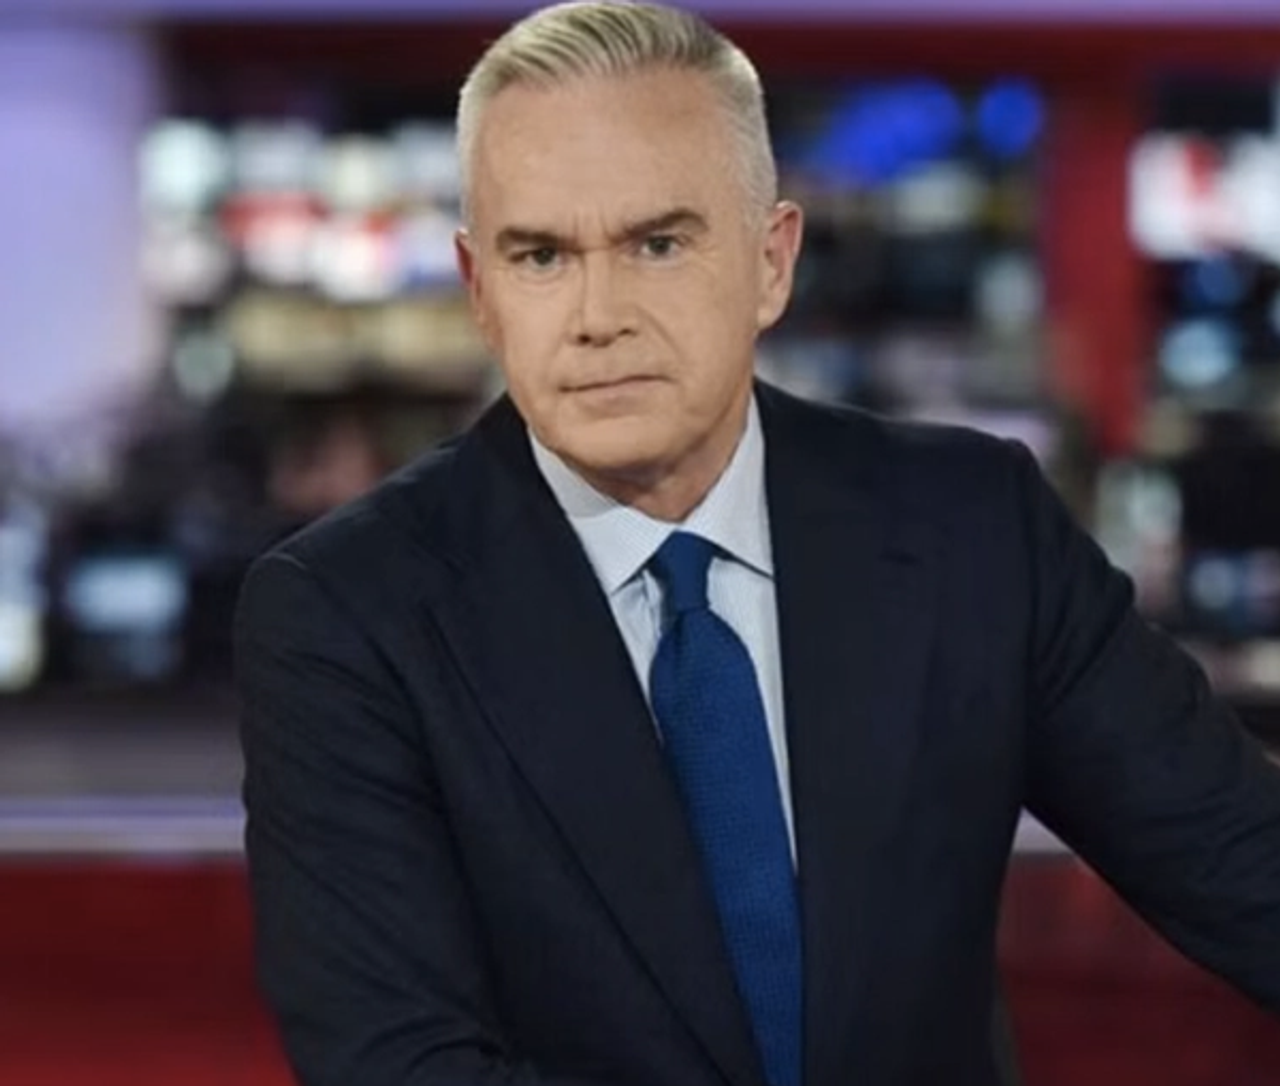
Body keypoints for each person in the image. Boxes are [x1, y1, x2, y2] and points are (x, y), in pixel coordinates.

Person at [234, 3, 1280, 1084]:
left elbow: (1241, 862)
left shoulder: (972, 528)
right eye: (540, 255)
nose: (598, 314)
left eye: (657, 244)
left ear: (772, 261)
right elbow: (399, 1063)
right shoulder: (346, 613)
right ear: (479, 292)